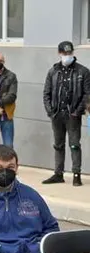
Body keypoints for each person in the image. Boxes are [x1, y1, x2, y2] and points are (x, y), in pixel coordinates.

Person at [42, 41, 89, 187]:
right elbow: (46, 93)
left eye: (69, 53)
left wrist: (77, 111)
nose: (67, 56)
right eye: (64, 53)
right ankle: (58, 174)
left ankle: (76, 174)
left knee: (74, 144)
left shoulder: (83, 71)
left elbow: (88, 94)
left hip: (73, 115)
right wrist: (50, 111)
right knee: (58, 145)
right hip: (57, 114)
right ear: (59, 53)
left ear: (73, 53)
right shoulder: (53, 71)